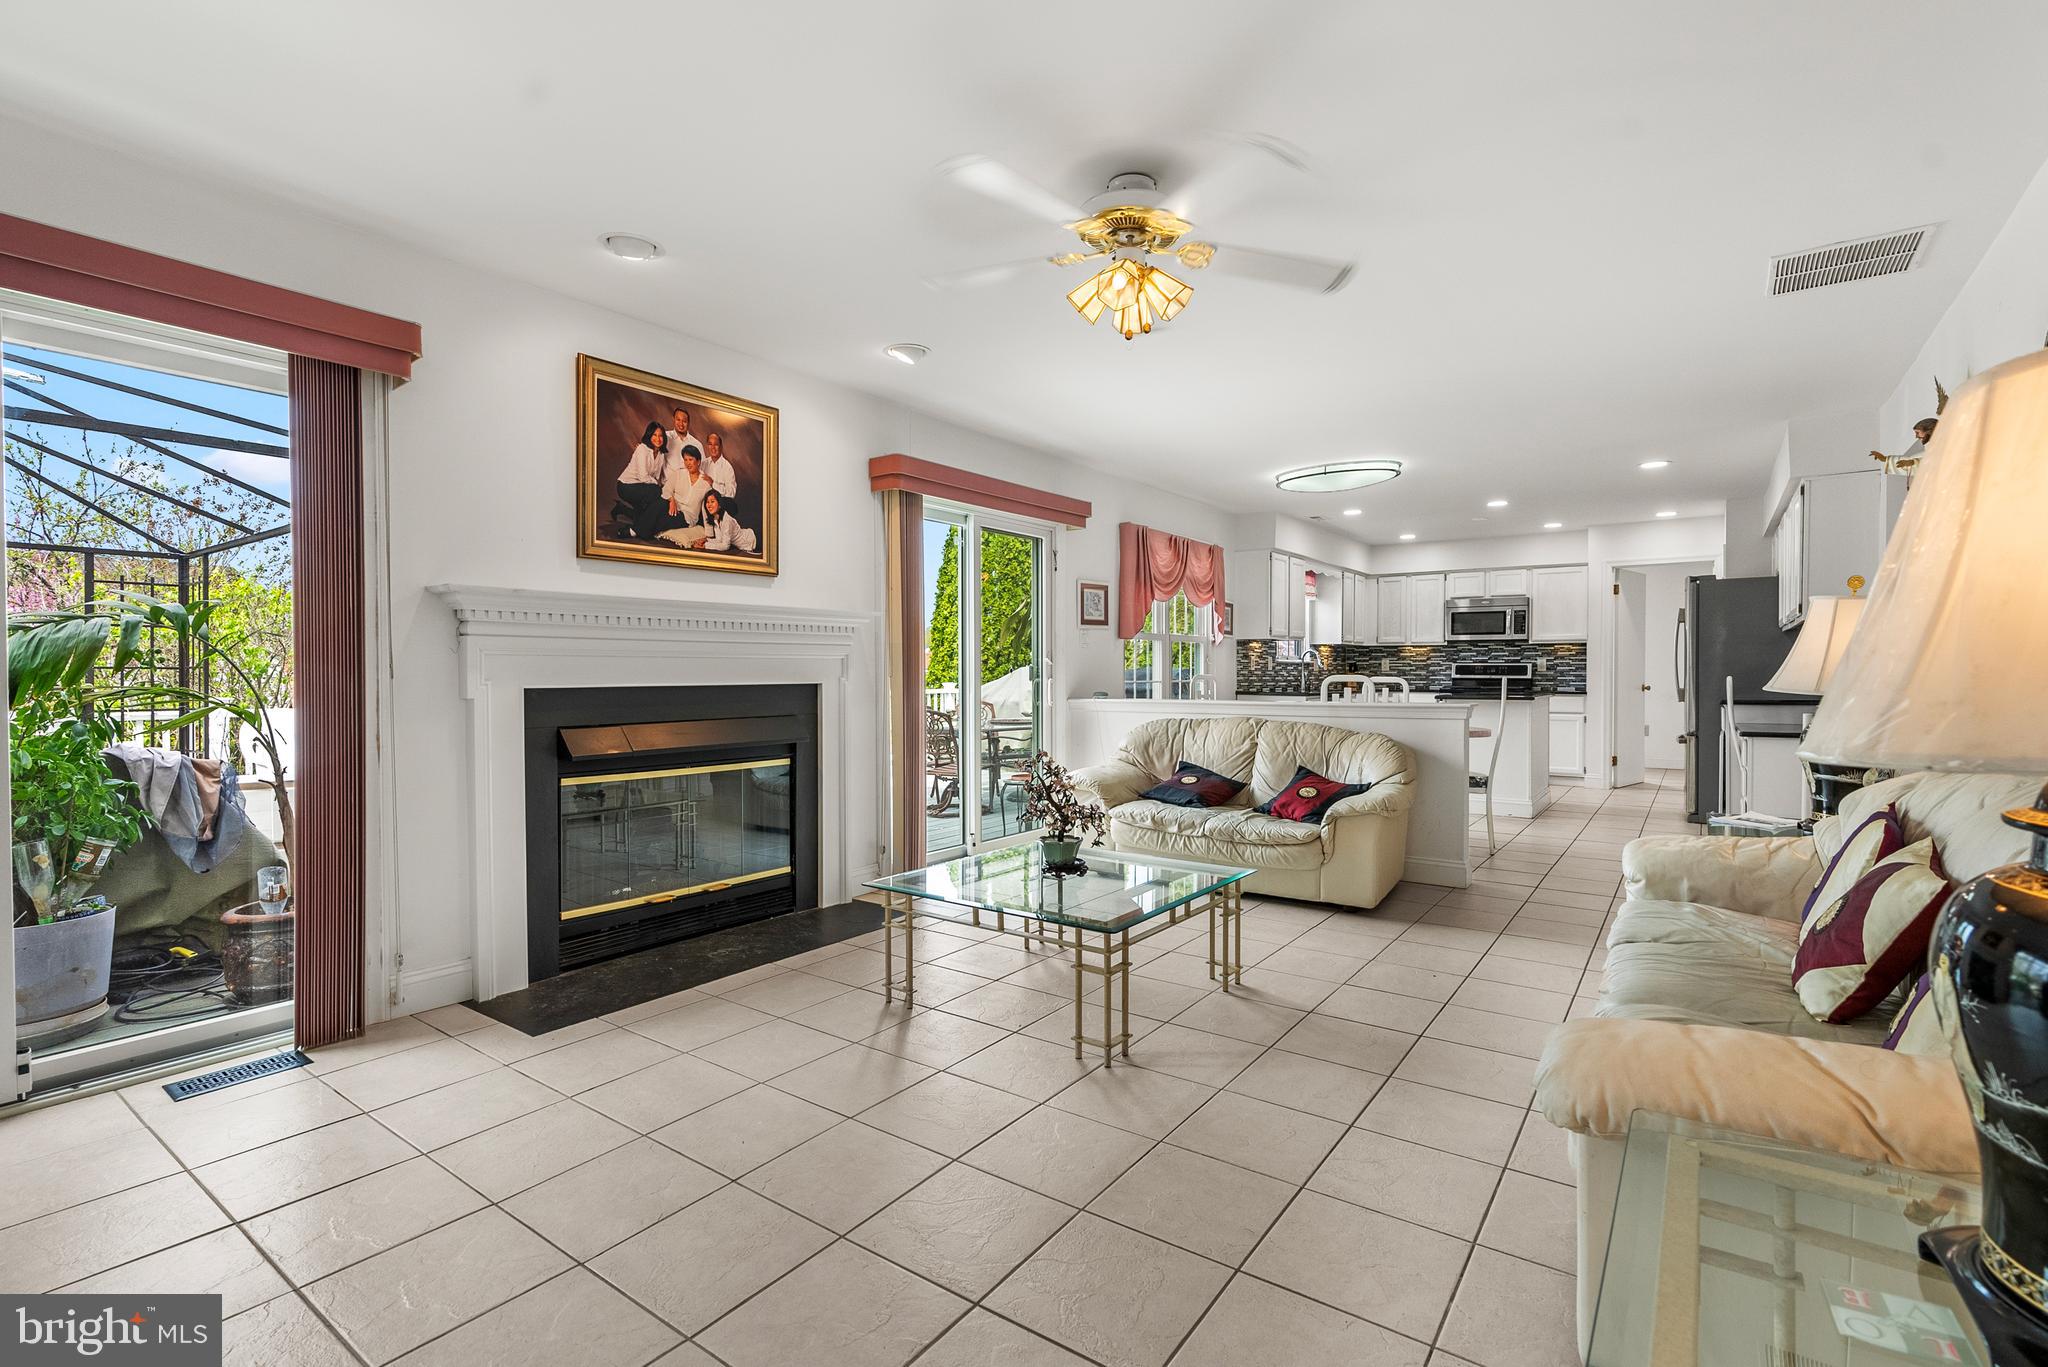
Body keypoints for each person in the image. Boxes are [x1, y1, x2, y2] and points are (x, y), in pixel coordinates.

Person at [613, 422, 669, 539]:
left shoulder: (661, 454)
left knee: (645, 514)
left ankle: (621, 509)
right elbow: (644, 477)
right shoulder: (642, 449)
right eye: (654, 435)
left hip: (642, 487)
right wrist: (659, 487)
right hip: (626, 486)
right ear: (649, 436)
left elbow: (657, 477)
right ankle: (634, 530)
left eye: (661, 436)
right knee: (656, 492)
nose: (658, 439)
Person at [656, 448, 714, 546]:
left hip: (687, 517)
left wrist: (709, 534)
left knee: (659, 519)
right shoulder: (679, 473)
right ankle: (635, 530)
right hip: (673, 508)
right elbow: (666, 489)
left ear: (698, 461)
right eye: (685, 460)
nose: (688, 463)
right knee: (659, 504)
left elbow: (706, 508)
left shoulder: (705, 483)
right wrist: (672, 500)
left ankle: (635, 530)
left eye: (690, 460)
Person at [698, 488, 757, 554]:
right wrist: (706, 540)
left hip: (754, 539)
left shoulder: (727, 520)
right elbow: (720, 540)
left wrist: (706, 545)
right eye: (707, 502)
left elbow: (725, 546)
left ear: (719, 504)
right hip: (748, 541)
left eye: (712, 501)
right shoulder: (716, 519)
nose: (709, 505)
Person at [700, 430, 738, 498]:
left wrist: (713, 484)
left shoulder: (727, 467)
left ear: (721, 446)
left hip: (722, 506)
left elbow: (731, 493)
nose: (713, 448)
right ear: (707, 446)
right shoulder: (702, 465)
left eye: (716, 444)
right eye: (710, 444)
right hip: (704, 506)